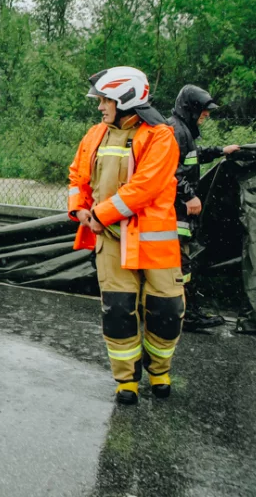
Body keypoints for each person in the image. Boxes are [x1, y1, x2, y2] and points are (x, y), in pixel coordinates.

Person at [68, 66, 184, 405]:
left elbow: (144, 188)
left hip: (154, 242)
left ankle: (159, 371)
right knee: (117, 312)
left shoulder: (160, 136)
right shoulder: (95, 135)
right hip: (111, 243)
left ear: (125, 99)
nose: (100, 107)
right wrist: (79, 209)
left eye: (105, 100)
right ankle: (126, 381)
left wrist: (100, 214)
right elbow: (77, 177)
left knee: (165, 310)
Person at [168, 85, 239, 331]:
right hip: (173, 213)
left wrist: (221, 151)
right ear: (191, 108)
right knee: (181, 265)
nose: (206, 115)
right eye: (203, 111)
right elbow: (169, 169)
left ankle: (186, 310)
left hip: (178, 213)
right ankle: (184, 314)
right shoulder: (175, 131)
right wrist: (189, 196)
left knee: (183, 262)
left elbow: (194, 156)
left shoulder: (183, 131)